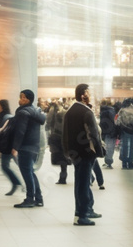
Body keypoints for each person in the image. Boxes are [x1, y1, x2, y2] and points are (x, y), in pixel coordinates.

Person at [62, 84, 103, 226]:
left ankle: (81, 212)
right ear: (83, 94)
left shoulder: (71, 110)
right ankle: (82, 216)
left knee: (80, 183)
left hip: (75, 153)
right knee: (84, 184)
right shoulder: (86, 112)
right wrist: (98, 151)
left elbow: (65, 134)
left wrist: (67, 151)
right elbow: (93, 135)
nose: (90, 94)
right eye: (88, 92)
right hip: (86, 153)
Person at [11, 89, 46, 208]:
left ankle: (30, 198)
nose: (20, 99)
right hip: (34, 147)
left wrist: (15, 147)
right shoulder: (34, 112)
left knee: (27, 173)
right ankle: (39, 198)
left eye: (23, 97)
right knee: (30, 172)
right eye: (20, 96)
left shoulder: (23, 112)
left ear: (29, 99)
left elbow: (20, 131)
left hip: (25, 146)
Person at [0, 99, 22, 195]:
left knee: (5, 166)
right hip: (8, 146)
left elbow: (5, 132)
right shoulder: (3, 117)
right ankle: (18, 183)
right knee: (15, 165)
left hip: (8, 147)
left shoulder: (6, 117)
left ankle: (18, 183)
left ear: (2, 107)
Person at [46, 100, 70, 184]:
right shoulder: (65, 111)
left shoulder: (53, 111)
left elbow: (48, 123)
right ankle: (63, 177)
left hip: (56, 136)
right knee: (64, 157)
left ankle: (62, 178)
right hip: (64, 137)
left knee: (60, 157)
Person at [117, 98, 133, 169]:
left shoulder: (122, 110)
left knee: (125, 146)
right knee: (132, 147)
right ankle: (130, 163)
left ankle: (124, 163)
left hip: (125, 130)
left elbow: (117, 121)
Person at [99, 100, 117, 169]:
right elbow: (114, 122)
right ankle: (109, 162)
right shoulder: (111, 111)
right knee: (110, 147)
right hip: (111, 132)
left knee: (107, 146)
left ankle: (107, 161)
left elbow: (102, 123)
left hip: (105, 132)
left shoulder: (103, 112)